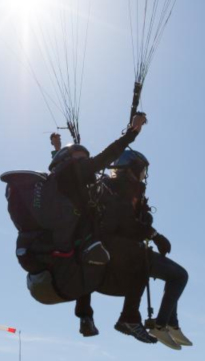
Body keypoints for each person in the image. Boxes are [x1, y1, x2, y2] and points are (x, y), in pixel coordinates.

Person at [45, 115, 148, 339]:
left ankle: (85, 317)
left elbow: (58, 165)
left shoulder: (58, 176)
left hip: (67, 238)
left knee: (88, 266)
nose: (86, 160)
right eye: (81, 156)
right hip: (84, 234)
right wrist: (133, 132)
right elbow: (108, 155)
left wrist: (56, 148)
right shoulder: (78, 169)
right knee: (106, 257)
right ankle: (126, 318)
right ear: (72, 159)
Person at [98, 149, 192, 350]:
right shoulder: (119, 189)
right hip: (122, 251)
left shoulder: (125, 189)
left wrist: (145, 221)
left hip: (128, 250)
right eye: (142, 170)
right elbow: (125, 221)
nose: (144, 174)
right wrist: (154, 234)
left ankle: (170, 324)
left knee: (176, 276)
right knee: (180, 276)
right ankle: (160, 325)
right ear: (134, 168)